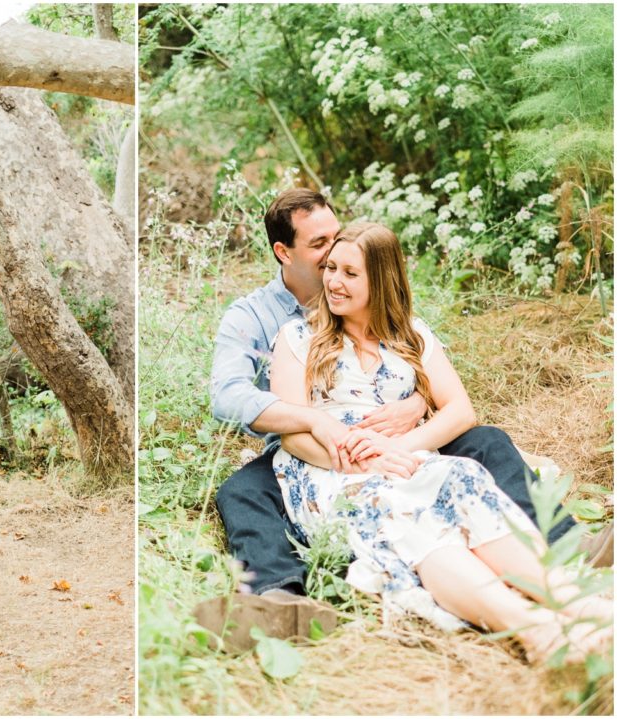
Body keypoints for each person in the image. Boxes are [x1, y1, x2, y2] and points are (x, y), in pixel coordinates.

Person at [198, 188, 612, 651]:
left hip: (401, 442)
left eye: (342, 255)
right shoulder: (267, 321)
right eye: (324, 253)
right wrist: (319, 424)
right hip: (320, 452)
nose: (332, 266)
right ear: (284, 252)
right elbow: (229, 396)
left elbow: (432, 381)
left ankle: (564, 559)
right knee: (242, 490)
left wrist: (417, 403)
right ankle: (278, 596)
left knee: (481, 449)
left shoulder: (400, 325)